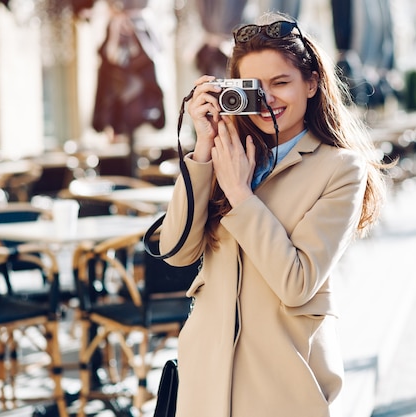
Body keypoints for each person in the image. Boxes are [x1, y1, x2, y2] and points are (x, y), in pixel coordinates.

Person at [159, 12, 387, 417]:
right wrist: (202, 148)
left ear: (312, 82)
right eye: (254, 87)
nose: (267, 100)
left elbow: (297, 283)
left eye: (281, 82)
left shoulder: (341, 168)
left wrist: (241, 195)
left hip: (281, 389)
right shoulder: (226, 152)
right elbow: (176, 251)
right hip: (205, 385)